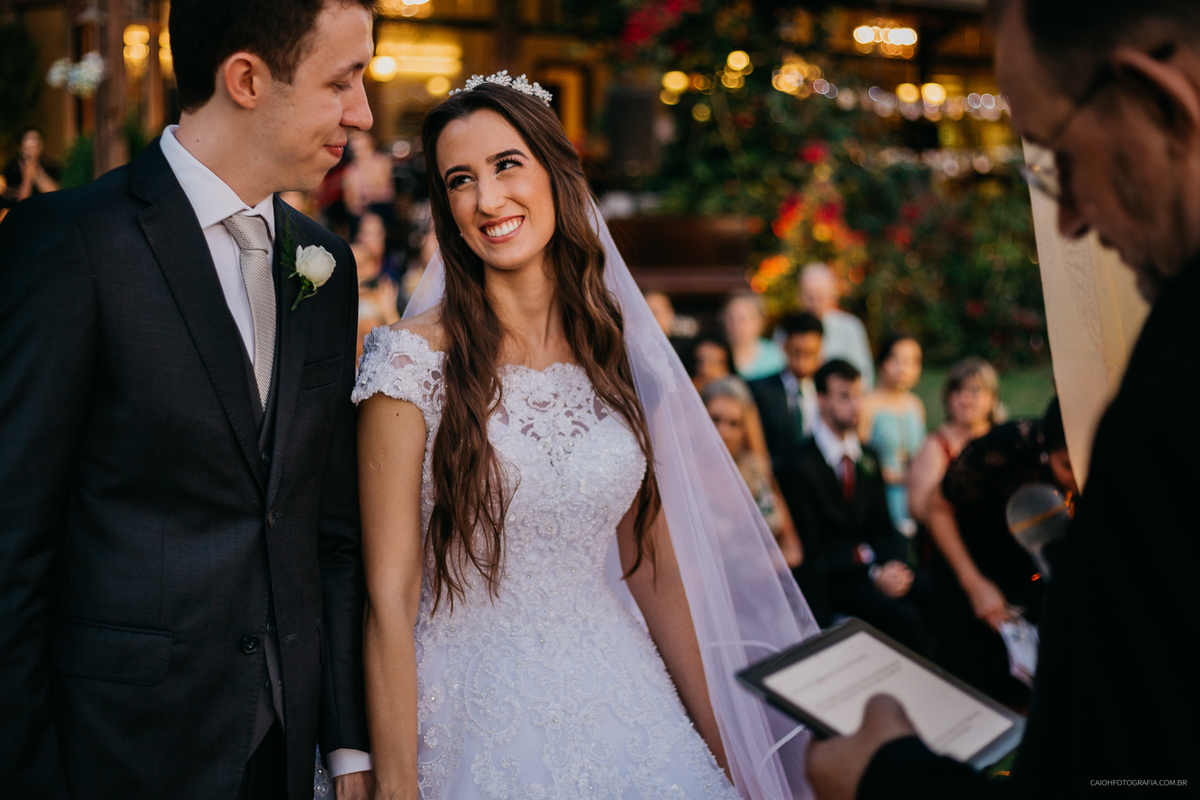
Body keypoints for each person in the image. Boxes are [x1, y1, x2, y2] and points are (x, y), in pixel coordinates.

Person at [353, 75, 819, 800]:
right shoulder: (409, 364)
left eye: (508, 165)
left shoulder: (617, 354)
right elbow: (388, 594)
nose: (488, 199)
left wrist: (733, 757)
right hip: (468, 706)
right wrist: (397, 784)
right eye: (460, 180)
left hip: (622, 697)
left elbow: (654, 572)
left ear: (554, 172)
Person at [807, 1, 1200, 795]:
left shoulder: (1173, 395)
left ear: (1156, 100)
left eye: (1060, 159)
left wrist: (885, 774)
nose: (1070, 217)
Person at [0, 1, 376, 797]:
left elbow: (327, 528)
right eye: (342, 82)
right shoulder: (71, 243)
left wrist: (346, 746)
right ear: (246, 78)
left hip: (286, 751)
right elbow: (12, 542)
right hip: (118, 750)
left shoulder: (324, 263)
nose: (363, 113)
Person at [927, 400, 1074, 710]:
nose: (1076, 478)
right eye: (1067, 466)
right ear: (1046, 449)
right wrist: (974, 583)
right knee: (972, 684)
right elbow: (936, 507)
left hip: (1025, 563)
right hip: (968, 555)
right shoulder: (1005, 447)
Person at [776, 360, 926, 653]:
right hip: (832, 581)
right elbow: (812, 546)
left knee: (932, 590)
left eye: (859, 395)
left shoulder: (867, 455)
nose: (855, 404)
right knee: (904, 618)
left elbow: (884, 526)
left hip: (873, 566)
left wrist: (893, 566)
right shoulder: (798, 464)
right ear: (822, 400)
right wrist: (873, 573)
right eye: (844, 396)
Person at [702, 376, 804, 567]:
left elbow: (793, 548)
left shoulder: (756, 470)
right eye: (715, 419)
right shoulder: (686, 476)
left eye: (734, 423)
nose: (724, 431)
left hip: (764, 579)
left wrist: (763, 566)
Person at [908, 357, 1001, 527]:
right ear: (948, 398)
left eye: (974, 391)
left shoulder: (1003, 437)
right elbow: (919, 509)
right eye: (957, 391)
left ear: (992, 397)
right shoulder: (935, 445)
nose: (965, 399)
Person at [859, 334, 926, 534]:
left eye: (912, 362)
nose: (903, 368)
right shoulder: (867, 405)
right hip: (881, 498)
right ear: (882, 362)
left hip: (914, 497)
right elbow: (860, 460)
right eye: (896, 360)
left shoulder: (915, 405)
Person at [748, 311, 824, 470]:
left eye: (810, 353)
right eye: (796, 352)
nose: (802, 362)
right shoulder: (759, 390)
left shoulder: (826, 391)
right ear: (785, 346)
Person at [798, 262, 874, 388]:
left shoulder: (850, 327)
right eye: (810, 296)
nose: (815, 302)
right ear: (800, 295)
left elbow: (865, 375)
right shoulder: (787, 328)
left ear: (832, 295)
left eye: (821, 296)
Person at [723, 290, 787, 381]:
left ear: (759, 321)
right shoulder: (718, 354)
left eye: (742, 319)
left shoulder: (775, 357)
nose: (735, 325)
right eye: (731, 318)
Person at [342, 130, 396, 218]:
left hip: (381, 209)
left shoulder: (382, 161)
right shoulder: (350, 169)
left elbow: (382, 188)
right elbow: (350, 201)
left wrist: (363, 164)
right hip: (360, 213)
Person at [4, 128, 61, 202]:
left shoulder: (49, 165)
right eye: (29, 138)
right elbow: (21, 200)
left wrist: (36, 172)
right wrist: (28, 176)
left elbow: (55, 194)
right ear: (20, 146)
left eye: (37, 138)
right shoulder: (13, 168)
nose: (34, 142)